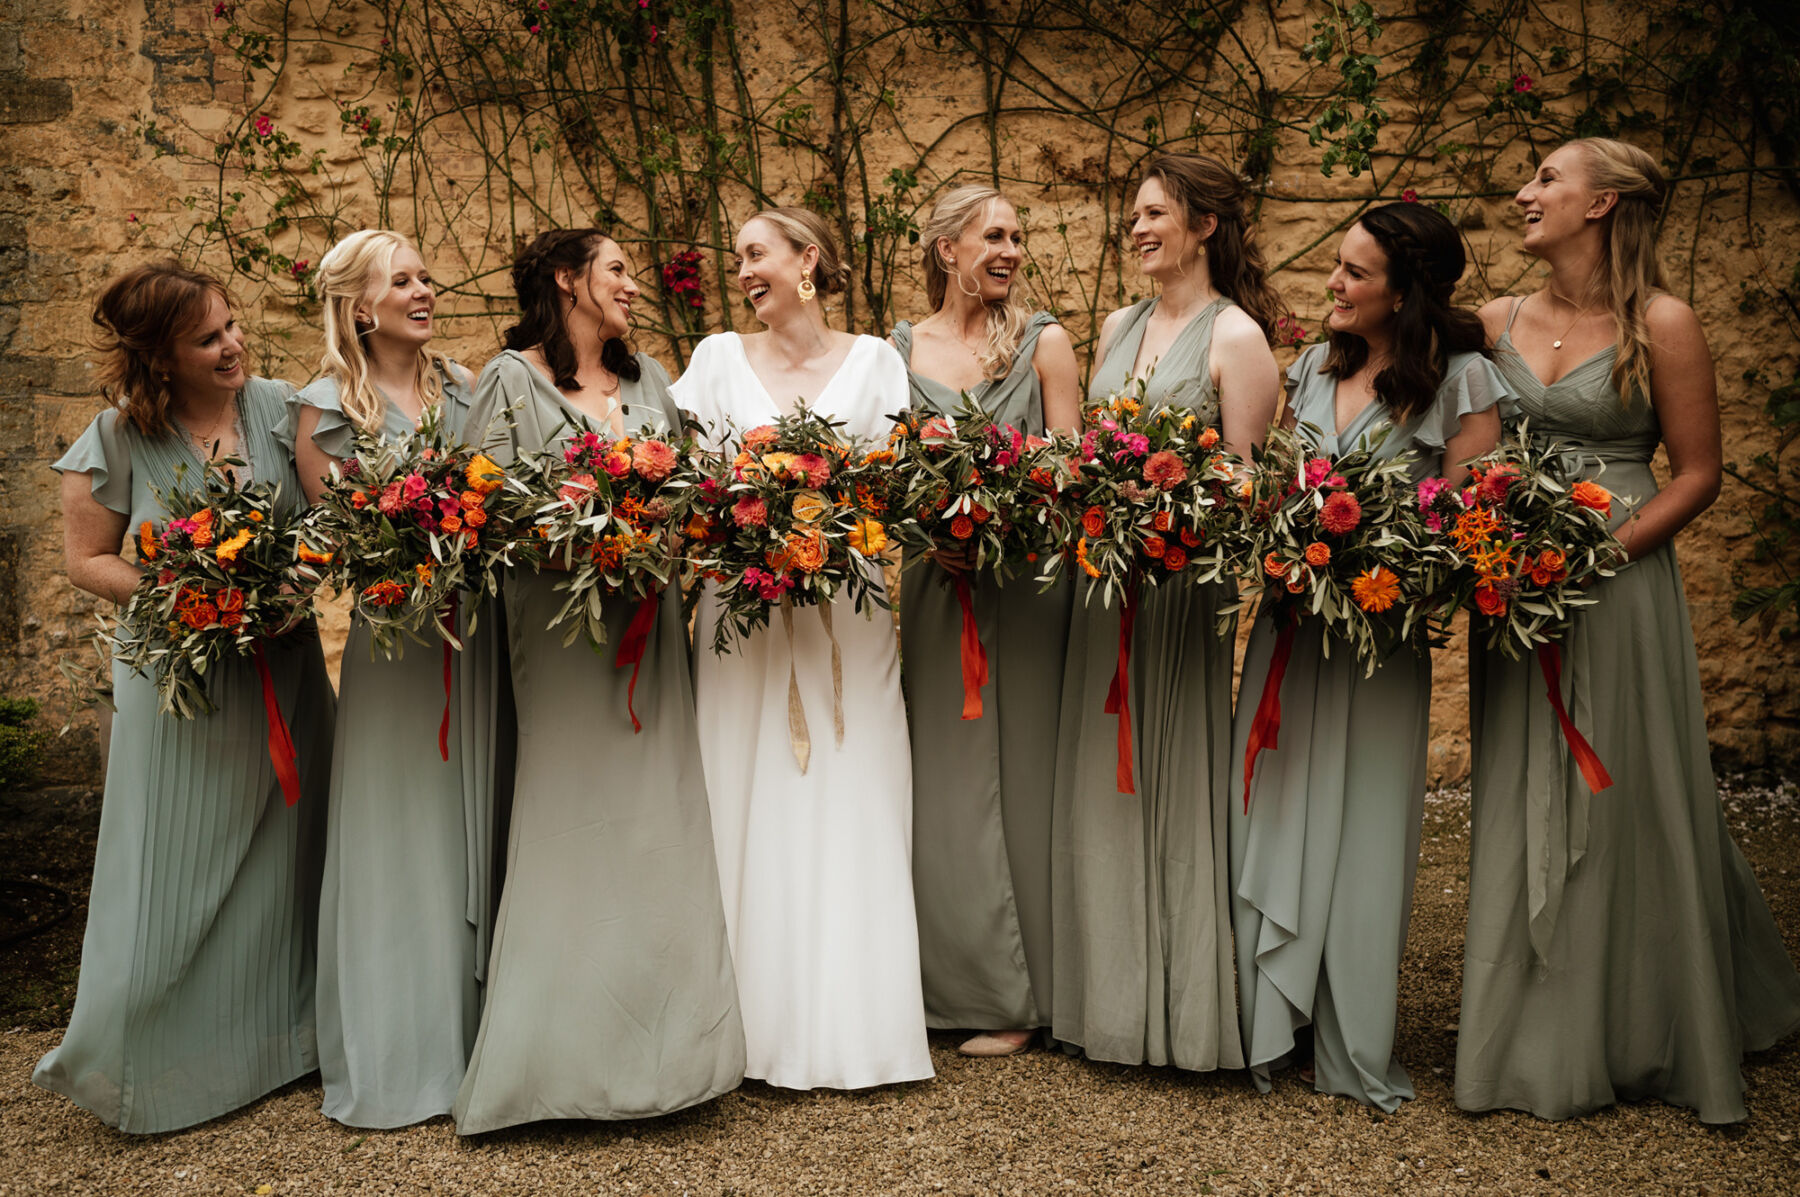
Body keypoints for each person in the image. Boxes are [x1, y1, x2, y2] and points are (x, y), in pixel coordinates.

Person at [1457, 137, 1800, 1123]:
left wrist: (1600, 551)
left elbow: (1698, 472)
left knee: (1625, 789)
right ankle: (1528, 1022)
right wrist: (1493, 539)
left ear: (1603, 203)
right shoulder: (1493, 322)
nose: (1526, 194)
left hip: (1619, 574)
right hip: (1517, 586)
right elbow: (1470, 456)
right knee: (1523, 784)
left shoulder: (1665, 323)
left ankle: (1643, 1018)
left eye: (1548, 181)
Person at [452, 229, 745, 1132]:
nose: (632, 285)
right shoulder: (508, 379)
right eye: (616, 269)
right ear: (566, 280)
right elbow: (476, 504)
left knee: (659, 823)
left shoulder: (652, 380)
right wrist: (580, 529)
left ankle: (670, 1063)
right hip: (561, 632)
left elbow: (694, 489)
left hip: (651, 626)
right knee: (571, 821)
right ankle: (552, 1064)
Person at [35, 261, 334, 1133]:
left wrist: (294, 581)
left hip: (281, 665)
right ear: (160, 357)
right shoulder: (116, 437)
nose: (233, 344)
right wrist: (190, 598)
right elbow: (88, 558)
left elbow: (327, 516)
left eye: (233, 325)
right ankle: (143, 1061)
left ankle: (280, 1043)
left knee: (286, 852)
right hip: (179, 678)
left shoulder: (281, 410)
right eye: (209, 338)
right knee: (169, 864)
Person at [1227, 202, 1503, 1110]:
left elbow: (1466, 531)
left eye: (1355, 273)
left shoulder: (1462, 382)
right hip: (1291, 630)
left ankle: (1347, 1029)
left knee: (1365, 825)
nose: (1334, 285)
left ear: (1407, 291)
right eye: (1337, 266)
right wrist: (1276, 534)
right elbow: (1275, 482)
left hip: (1379, 642)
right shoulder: (1312, 366)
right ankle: (1273, 1021)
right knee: (1275, 805)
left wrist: (1380, 563)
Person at [673, 207, 933, 1090]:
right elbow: (686, 488)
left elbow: (897, 486)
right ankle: (741, 1030)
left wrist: (826, 522)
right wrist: (748, 523)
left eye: (757, 253)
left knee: (851, 788)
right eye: (737, 257)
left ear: (806, 260)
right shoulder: (713, 359)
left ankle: (854, 1025)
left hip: (843, 619)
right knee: (741, 789)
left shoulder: (876, 362)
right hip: (740, 619)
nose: (743, 270)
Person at [1050, 152, 1281, 1070]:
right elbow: (1091, 449)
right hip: (1104, 585)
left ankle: (1180, 1011)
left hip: (1183, 592)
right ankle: (1107, 1000)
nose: (1138, 229)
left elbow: (1248, 485)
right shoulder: (1116, 324)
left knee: (1170, 777)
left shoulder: (1238, 340)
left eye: (1155, 214)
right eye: (1133, 216)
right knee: (1101, 787)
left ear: (1205, 226)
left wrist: (1170, 527)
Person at [289, 230, 503, 1127]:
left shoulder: (466, 388)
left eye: (424, 276)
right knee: (400, 835)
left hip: (480, 636)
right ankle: (400, 1051)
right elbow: (330, 538)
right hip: (396, 645)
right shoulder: (325, 410)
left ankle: (482, 1044)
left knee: (475, 824)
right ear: (359, 306)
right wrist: (406, 545)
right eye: (402, 281)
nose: (425, 289)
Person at [888, 184, 1080, 1057]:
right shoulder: (894, 353)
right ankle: (962, 986)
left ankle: (1039, 993)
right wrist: (928, 531)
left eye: (1016, 237)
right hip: (940, 584)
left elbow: (1075, 472)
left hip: (1031, 582)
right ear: (945, 250)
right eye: (991, 235)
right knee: (949, 778)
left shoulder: (1044, 342)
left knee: (1033, 773)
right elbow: (879, 479)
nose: (1008, 250)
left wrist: (1014, 515)